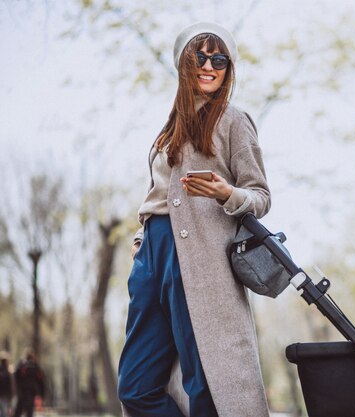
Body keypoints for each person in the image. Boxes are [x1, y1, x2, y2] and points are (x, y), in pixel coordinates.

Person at [117, 22, 271, 417]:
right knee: (135, 386)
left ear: (228, 67)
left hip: (202, 257)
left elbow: (261, 196)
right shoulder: (170, 127)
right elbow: (159, 193)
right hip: (153, 252)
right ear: (184, 63)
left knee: (207, 382)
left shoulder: (234, 121)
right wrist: (141, 242)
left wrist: (227, 193)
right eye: (199, 56)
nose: (209, 65)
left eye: (218, 58)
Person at [13, 351, 45, 417]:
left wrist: (18, 389)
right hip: (31, 392)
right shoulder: (36, 367)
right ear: (33, 358)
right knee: (29, 411)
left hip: (22, 392)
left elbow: (16, 377)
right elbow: (41, 380)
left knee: (18, 411)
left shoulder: (22, 365)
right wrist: (41, 393)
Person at [0, 351, 14, 417]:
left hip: (5, 395)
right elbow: (11, 384)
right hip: (4, 395)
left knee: (4, 411)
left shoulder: (8, 371)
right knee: (4, 411)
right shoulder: (8, 371)